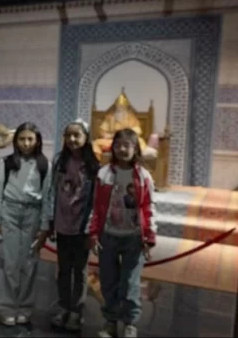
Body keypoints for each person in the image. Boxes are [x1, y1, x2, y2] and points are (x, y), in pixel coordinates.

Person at [88, 128, 157, 338]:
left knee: (130, 283)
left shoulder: (143, 176)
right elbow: (97, 206)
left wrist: (149, 236)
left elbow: (148, 206)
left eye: (127, 145)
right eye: (118, 145)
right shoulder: (104, 174)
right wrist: (93, 233)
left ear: (135, 148)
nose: (122, 149)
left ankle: (130, 322)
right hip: (108, 235)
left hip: (134, 237)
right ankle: (110, 320)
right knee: (108, 281)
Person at [41, 119, 100, 331]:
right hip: (62, 224)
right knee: (63, 269)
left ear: (86, 138)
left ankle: (77, 310)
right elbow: (52, 191)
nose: (72, 139)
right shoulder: (60, 161)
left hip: (81, 226)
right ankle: (64, 306)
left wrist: (91, 229)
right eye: (69, 135)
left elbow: (96, 200)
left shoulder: (93, 166)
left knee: (80, 270)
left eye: (77, 135)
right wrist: (50, 220)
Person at [0, 122, 51, 326]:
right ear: (16, 141)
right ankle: (7, 307)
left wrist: (44, 226)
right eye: (22, 139)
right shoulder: (7, 162)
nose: (26, 143)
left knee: (29, 263)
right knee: (9, 263)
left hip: (32, 214)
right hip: (10, 212)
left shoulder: (44, 165)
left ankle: (24, 307)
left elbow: (47, 197)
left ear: (37, 141)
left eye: (30, 139)